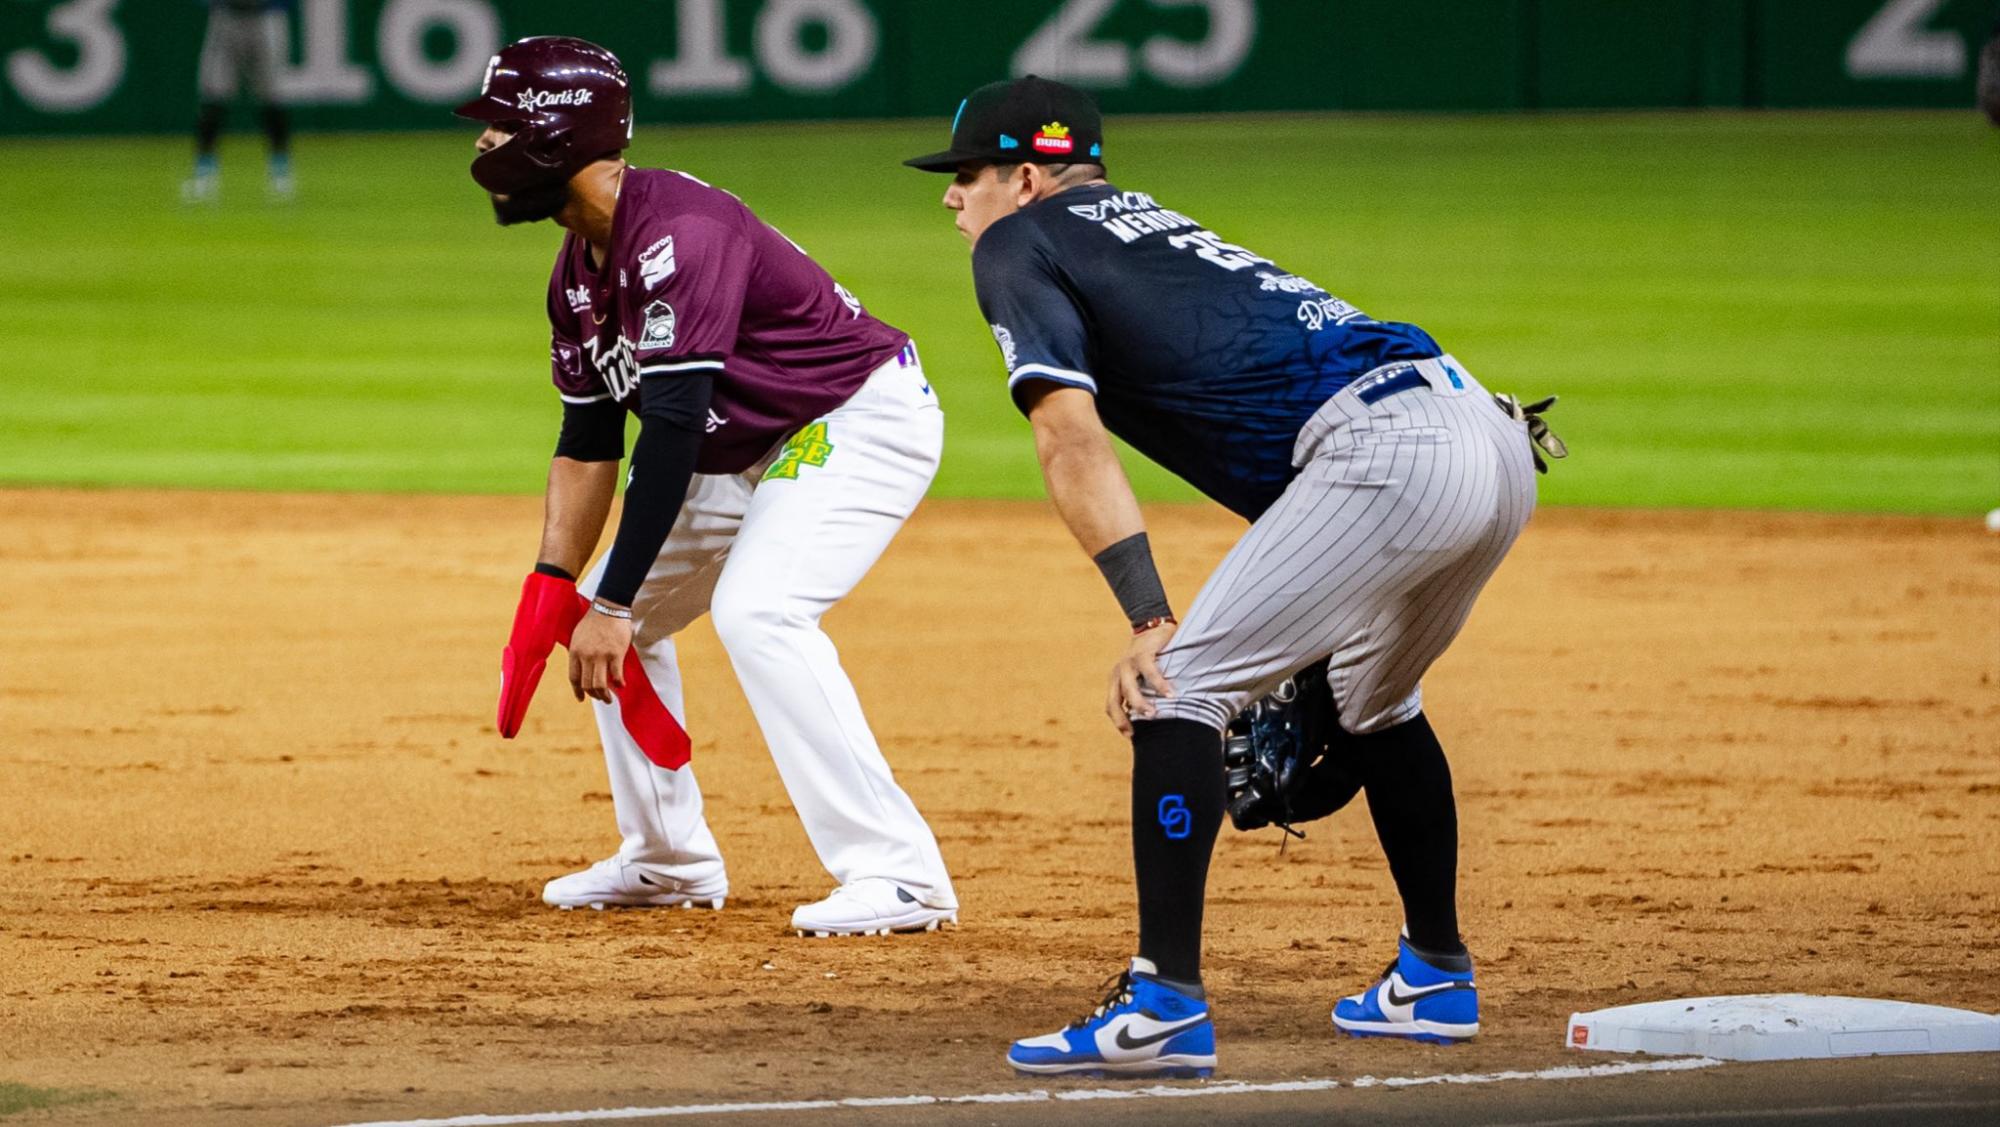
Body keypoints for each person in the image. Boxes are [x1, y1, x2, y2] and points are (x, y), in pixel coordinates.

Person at [905, 77, 1563, 1076]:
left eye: (966, 174)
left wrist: (1148, 616)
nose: (954, 197)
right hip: (1490, 431)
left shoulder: (1018, 242)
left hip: (1386, 451)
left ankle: (1163, 998)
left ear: (1026, 176)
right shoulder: (1143, 226)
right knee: (1370, 700)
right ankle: (1433, 974)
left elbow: (1066, 437)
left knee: (1179, 686)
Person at [464, 37, 957, 938]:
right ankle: (668, 857)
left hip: (850, 419)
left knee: (759, 611)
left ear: (556, 135)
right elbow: (588, 440)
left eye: (501, 126)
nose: (484, 148)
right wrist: (552, 587)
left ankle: (900, 874)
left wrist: (613, 598)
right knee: (605, 617)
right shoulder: (576, 272)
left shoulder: (677, 235)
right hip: (740, 448)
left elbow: (677, 428)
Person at [184, 0, 296, 202]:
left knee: (271, 95)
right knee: (213, 93)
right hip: (226, 16)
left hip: (266, 17)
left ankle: (281, 170)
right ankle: (204, 171)